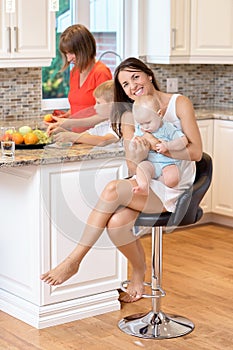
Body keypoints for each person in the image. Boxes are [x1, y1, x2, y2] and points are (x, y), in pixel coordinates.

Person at [41, 57, 202, 303]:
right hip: (147, 181)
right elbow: (132, 166)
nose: (132, 86)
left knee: (112, 189)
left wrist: (161, 148)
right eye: (125, 84)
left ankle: (74, 260)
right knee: (116, 224)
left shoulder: (178, 104)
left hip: (174, 186)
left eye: (135, 77)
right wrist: (137, 155)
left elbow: (197, 152)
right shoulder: (129, 117)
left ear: (148, 75)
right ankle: (138, 272)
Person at [44, 24, 112, 137]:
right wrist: (66, 117)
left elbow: (105, 115)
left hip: (95, 139)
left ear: (84, 49)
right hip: (78, 139)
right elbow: (81, 106)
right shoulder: (74, 72)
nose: (68, 58)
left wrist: (68, 123)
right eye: (66, 53)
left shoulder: (101, 73)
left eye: (71, 53)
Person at [131, 95, 188, 195]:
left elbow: (183, 141)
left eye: (148, 122)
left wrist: (168, 146)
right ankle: (144, 186)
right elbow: (134, 141)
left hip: (168, 164)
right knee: (141, 167)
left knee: (173, 177)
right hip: (151, 163)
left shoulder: (167, 128)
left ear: (160, 114)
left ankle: (158, 187)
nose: (145, 127)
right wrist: (134, 145)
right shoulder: (140, 128)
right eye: (141, 123)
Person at [56, 80, 120, 146]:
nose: (95, 107)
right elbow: (82, 137)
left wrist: (72, 136)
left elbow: (104, 141)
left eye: (98, 103)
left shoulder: (121, 124)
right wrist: (62, 132)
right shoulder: (105, 124)